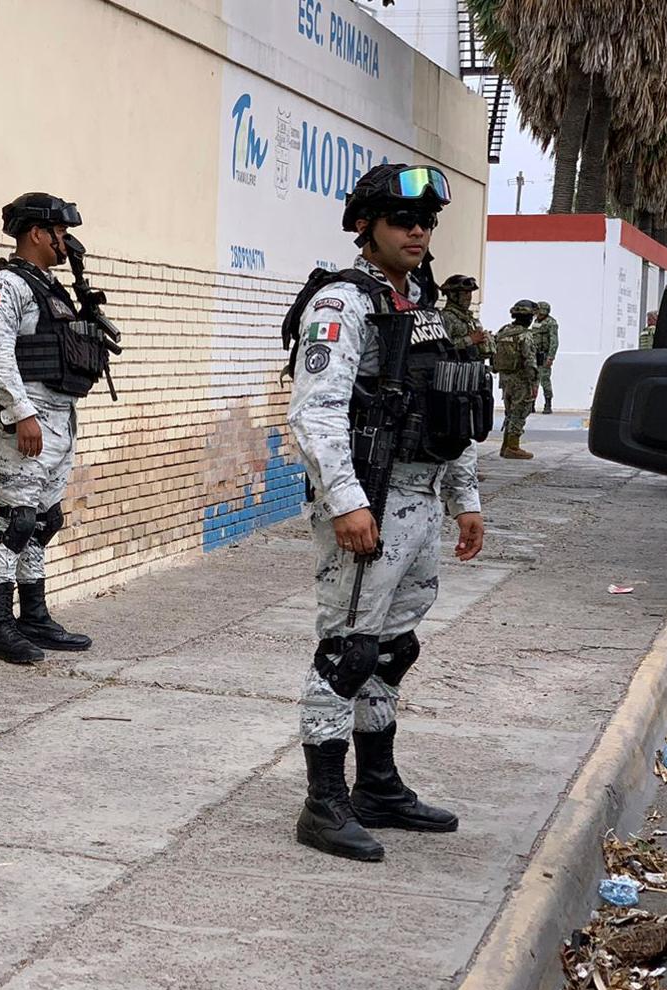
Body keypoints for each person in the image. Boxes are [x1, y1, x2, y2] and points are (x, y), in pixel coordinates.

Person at [281, 162, 486, 862]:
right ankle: (323, 804)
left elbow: (449, 406)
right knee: (346, 651)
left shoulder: (421, 307)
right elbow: (315, 412)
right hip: (368, 499)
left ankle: (376, 785)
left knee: (392, 651)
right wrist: (345, 501)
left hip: (421, 501)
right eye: (403, 220)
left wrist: (466, 500)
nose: (418, 231)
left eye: (427, 221)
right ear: (365, 225)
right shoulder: (340, 304)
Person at [0, 193, 113, 664]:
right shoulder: (5, 286)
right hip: (27, 419)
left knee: (44, 522)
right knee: (16, 522)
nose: (66, 242)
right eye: (61, 234)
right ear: (37, 233)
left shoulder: (53, 288)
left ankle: (33, 615)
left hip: (60, 415)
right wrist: (21, 413)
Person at [493, 300, 541, 460]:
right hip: (521, 380)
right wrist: (534, 382)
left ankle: (506, 446)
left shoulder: (504, 330)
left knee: (510, 412)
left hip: (505, 378)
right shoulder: (525, 335)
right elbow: (529, 360)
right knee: (519, 412)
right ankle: (513, 447)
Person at [439, 275, 495, 365]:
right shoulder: (446, 317)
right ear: (453, 295)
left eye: (470, 293)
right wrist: (470, 340)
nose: (469, 297)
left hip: (473, 369)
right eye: (465, 292)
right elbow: (442, 347)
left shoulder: (471, 319)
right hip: (453, 370)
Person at [532, 300, 560, 413]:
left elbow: (554, 341)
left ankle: (548, 404)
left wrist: (551, 357)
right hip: (534, 355)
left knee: (545, 380)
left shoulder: (551, 323)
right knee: (533, 380)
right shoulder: (535, 321)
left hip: (544, 356)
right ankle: (531, 404)